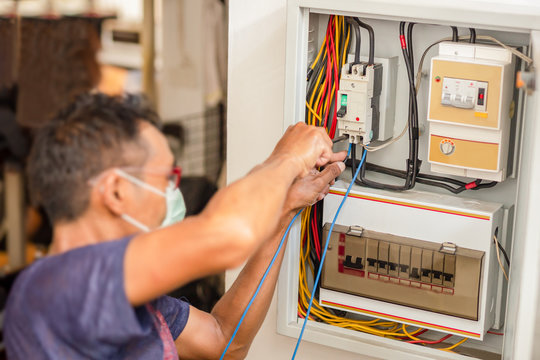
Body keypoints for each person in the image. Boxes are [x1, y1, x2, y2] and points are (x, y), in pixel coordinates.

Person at [4, 92, 346, 359]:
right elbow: (228, 235)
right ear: (117, 191)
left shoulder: (138, 300)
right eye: (167, 177)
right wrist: (285, 159)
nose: (174, 190)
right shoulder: (57, 287)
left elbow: (224, 341)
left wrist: (285, 208)